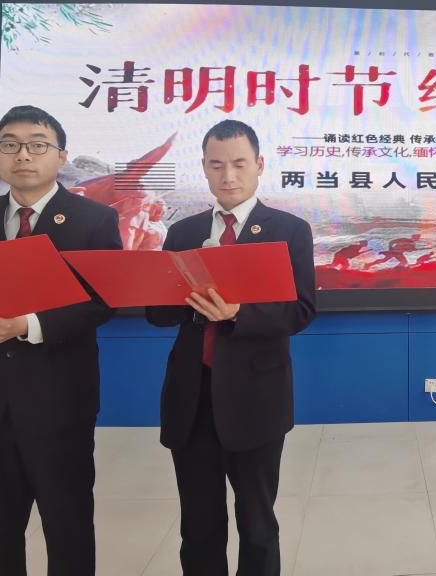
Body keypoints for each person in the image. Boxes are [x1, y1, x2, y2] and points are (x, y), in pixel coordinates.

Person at [0, 105, 121, 576]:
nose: (23, 155)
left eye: (37, 144)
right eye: (10, 145)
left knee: (68, 528)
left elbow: (103, 301)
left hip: (60, 402)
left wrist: (27, 325)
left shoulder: (94, 220)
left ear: (61, 156)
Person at [146, 119, 316, 576]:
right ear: (204, 167)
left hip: (256, 399)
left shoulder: (288, 231)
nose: (228, 176)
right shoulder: (184, 234)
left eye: (239, 164)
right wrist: (162, 291)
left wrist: (237, 313)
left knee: (257, 525)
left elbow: (301, 311)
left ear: (259, 165)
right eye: (216, 165)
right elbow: (158, 315)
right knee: (198, 526)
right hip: (192, 397)